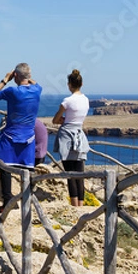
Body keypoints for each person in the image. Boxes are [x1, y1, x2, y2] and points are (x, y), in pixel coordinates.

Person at [0, 63, 42, 212]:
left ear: (15, 76)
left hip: (11, 136)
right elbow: (34, 83)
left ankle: (8, 202)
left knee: (4, 168)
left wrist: (5, 79)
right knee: (27, 169)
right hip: (29, 138)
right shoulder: (37, 90)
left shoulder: (12, 91)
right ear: (29, 76)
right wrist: (27, 77)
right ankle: (26, 199)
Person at [52, 69, 89, 207]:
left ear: (69, 85)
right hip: (79, 134)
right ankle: (81, 205)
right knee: (79, 173)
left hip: (67, 135)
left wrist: (63, 119)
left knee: (70, 173)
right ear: (81, 83)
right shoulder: (85, 100)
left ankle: (74, 206)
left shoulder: (67, 101)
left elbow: (55, 120)